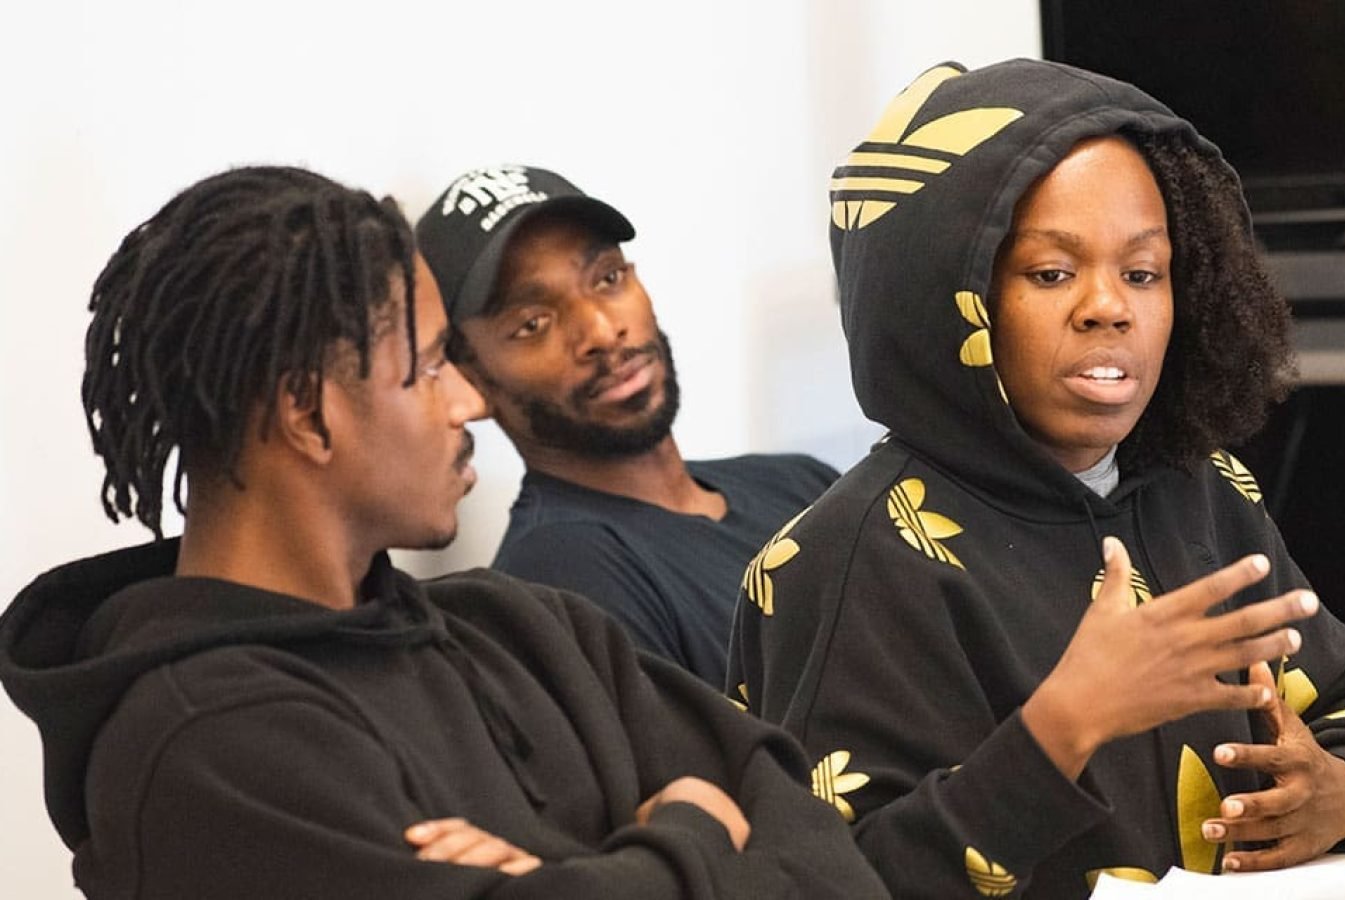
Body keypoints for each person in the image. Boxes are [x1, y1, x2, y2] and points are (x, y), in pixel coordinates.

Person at [0, 166, 887, 899]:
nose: (468, 402)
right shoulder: (207, 748)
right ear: (308, 417)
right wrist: (690, 823)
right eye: (430, 369)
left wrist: (570, 880)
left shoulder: (529, 630)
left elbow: (826, 853)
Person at [729, 59, 1345, 897]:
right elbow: (833, 882)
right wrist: (1065, 725)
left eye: (1143, 273)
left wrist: (1342, 791)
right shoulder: (844, 562)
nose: (1111, 308)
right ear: (946, 301)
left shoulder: (1199, 488)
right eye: (1051, 274)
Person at [413, 165, 837, 687]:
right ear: (471, 376)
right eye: (532, 324)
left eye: (608, 279)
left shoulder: (801, 483)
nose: (601, 331)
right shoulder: (562, 578)